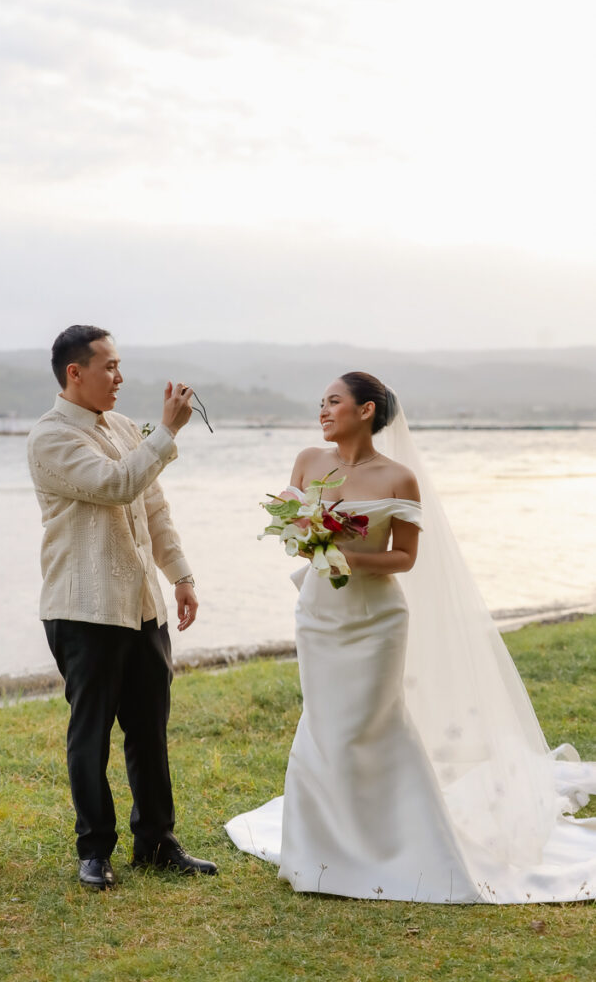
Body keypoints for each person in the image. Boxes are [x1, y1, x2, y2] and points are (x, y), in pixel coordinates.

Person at [226, 372, 596, 903]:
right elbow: (295, 535)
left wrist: (349, 556)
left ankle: (399, 843)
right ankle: (321, 848)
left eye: (333, 401)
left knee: (371, 723)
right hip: (318, 613)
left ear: (366, 410)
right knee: (324, 723)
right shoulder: (308, 460)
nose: (322, 411)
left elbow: (405, 557)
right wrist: (307, 540)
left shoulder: (399, 478)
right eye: (321, 403)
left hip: (376, 620)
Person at [28, 324, 217, 889]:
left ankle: (157, 843)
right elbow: (116, 485)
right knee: (91, 734)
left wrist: (180, 575)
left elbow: (152, 505)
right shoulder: (50, 438)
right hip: (84, 610)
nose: (120, 377)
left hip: (142, 605)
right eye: (109, 366)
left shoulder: (124, 426)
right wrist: (167, 431)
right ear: (74, 373)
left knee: (149, 727)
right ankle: (94, 851)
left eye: (119, 365)